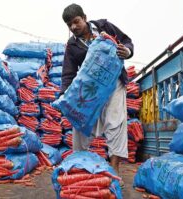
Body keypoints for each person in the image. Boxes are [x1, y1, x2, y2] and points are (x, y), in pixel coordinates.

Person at [61, 3, 134, 179]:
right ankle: (78, 168)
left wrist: (127, 51)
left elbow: (126, 41)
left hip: (114, 82)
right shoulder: (72, 46)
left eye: (76, 22)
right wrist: (65, 96)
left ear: (84, 18)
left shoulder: (104, 27)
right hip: (91, 89)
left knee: (115, 123)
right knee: (79, 124)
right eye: (69, 24)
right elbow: (68, 73)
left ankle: (115, 171)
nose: (73, 27)